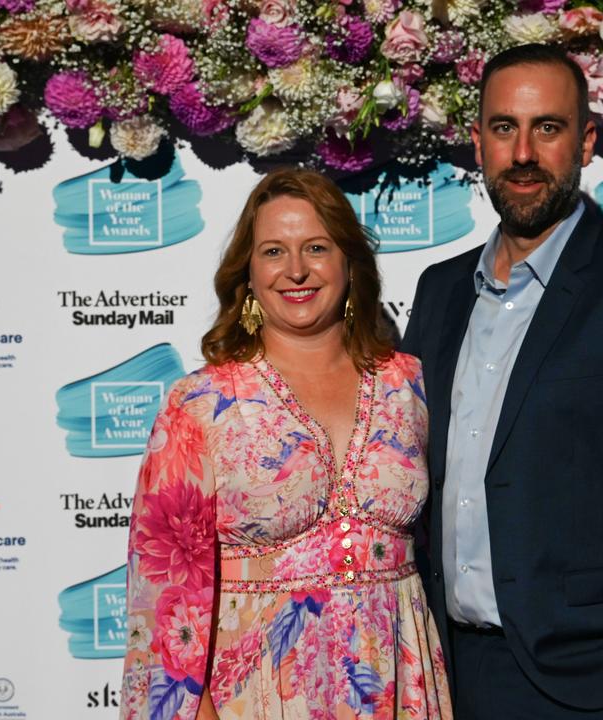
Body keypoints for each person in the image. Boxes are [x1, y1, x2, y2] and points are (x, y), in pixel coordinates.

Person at [400, 44, 603, 719]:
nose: (523, 152)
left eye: (547, 128)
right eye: (503, 128)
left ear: (584, 142)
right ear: (478, 143)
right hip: (444, 677)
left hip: (586, 685)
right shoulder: (439, 292)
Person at [119, 168, 452, 720]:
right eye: (274, 251)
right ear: (248, 273)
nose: (296, 270)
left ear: (348, 262)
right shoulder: (200, 403)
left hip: (401, 679)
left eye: (316, 247)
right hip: (256, 694)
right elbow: (164, 593)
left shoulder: (408, 381)